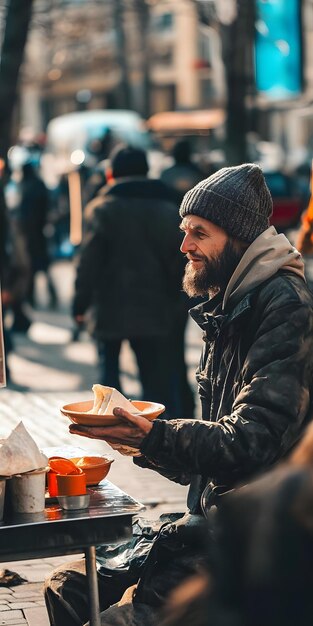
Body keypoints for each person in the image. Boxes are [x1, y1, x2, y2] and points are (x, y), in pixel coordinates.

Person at [45, 163, 313, 626]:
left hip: (253, 532)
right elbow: (205, 462)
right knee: (67, 587)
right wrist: (136, 441)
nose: (184, 245)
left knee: (119, 618)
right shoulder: (230, 299)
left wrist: (153, 436)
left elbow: (252, 443)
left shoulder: (284, 304)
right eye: (185, 230)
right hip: (203, 521)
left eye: (199, 233)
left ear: (239, 237)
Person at [73, 144, 192, 415]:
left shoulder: (101, 209)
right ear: (148, 172)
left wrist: (79, 305)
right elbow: (181, 263)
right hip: (157, 309)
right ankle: (157, 435)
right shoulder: (169, 209)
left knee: (108, 382)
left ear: (111, 174)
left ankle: (109, 431)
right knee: (156, 382)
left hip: (109, 308)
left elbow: (87, 264)